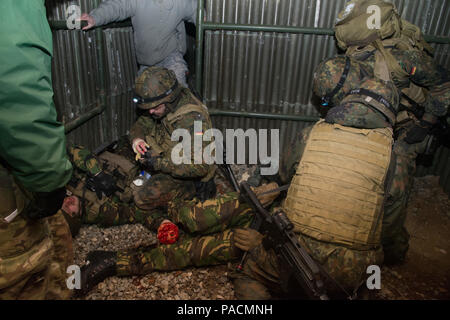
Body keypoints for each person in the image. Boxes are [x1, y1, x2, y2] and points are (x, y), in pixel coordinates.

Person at [333, 0, 450, 264]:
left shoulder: (404, 59)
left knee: (395, 184)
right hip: (376, 125)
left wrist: (425, 124)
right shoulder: (348, 64)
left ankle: (391, 247)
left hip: (408, 128)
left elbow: (443, 85)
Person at [0, 0, 74, 299]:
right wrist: (50, 183)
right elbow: (18, 98)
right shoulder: (15, 7)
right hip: (16, 181)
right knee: (26, 271)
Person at [128, 66, 217, 229]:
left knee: (140, 197)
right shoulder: (163, 105)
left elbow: (201, 167)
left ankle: (173, 213)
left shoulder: (191, 121)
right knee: (129, 187)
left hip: (190, 178)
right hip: (168, 160)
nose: (151, 112)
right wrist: (137, 140)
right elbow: (142, 123)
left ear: (169, 98)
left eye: (154, 107)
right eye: (148, 108)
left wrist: (158, 163)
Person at [80, 0, 198, 87]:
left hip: (171, 56)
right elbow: (116, 6)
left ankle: (192, 119)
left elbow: (198, 12)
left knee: (177, 91)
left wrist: (208, 20)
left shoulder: (181, 2)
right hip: (146, 62)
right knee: (147, 100)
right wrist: (94, 17)